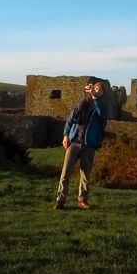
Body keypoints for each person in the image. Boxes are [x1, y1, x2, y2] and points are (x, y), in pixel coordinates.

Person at [54, 81, 107, 210]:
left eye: (99, 89)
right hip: (74, 142)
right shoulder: (83, 103)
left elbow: (102, 115)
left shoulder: (102, 106)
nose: (96, 90)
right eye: (95, 88)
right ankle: (60, 200)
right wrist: (66, 136)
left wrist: (95, 98)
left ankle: (82, 200)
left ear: (102, 93)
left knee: (85, 175)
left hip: (89, 144)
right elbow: (70, 119)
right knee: (66, 172)